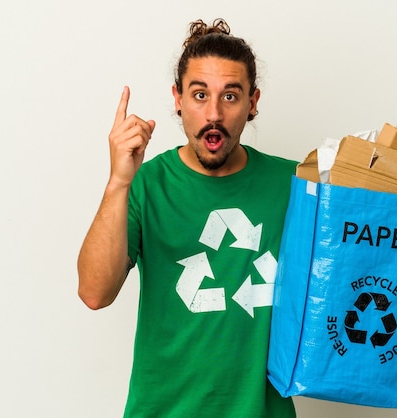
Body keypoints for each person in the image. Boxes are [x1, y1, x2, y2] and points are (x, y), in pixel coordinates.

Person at [78, 18, 297, 417]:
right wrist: (117, 183)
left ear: (253, 102)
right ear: (178, 99)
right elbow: (95, 293)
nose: (213, 113)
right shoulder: (146, 185)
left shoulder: (296, 185)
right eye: (199, 95)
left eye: (230, 97)